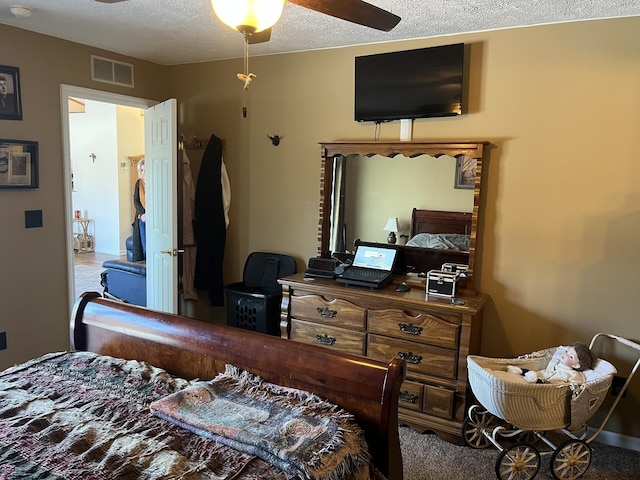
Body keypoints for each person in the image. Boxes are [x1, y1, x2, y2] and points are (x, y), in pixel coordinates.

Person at [507, 343, 596, 384]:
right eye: (567, 352)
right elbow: (556, 353)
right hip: (541, 375)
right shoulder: (556, 362)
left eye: (571, 356)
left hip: (548, 386)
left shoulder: (573, 374)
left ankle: (531, 378)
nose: (565, 355)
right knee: (534, 373)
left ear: (576, 365)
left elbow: (577, 384)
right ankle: (519, 371)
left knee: (539, 382)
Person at [132, 158, 146, 261]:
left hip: (154, 215)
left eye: (146, 169)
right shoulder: (139, 183)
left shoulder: (155, 181)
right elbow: (136, 201)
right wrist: (142, 213)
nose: (144, 172)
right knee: (144, 245)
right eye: (142, 170)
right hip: (142, 216)